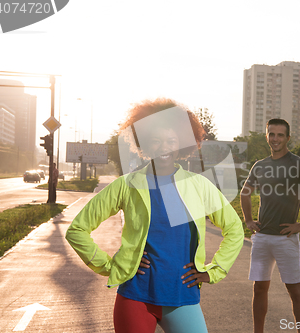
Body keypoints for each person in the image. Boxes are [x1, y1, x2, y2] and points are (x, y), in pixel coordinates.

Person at [65, 98, 244, 333]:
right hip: (135, 298)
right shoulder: (126, 185)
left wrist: (213, 271)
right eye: (156, 141)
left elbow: (235, 229)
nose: (164, 147)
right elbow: (77, 230)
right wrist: (111, 266)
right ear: (145, 144)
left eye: (172, 140)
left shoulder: (198, 186)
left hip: (182, 296)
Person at [240, 118, 300, 333]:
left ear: (288, 138)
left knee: (294, 290)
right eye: (271, 134)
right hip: (263, 237)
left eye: (280, 135)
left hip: (286, 238)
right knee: (260, 288)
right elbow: (246, 193)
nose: (275, 139)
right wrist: (248, 220)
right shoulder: (260, 165)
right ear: (267, 136)